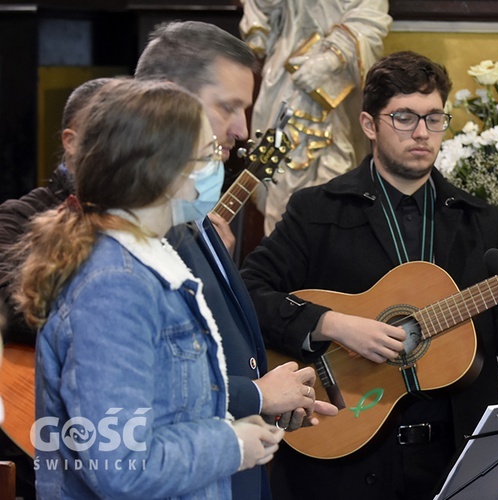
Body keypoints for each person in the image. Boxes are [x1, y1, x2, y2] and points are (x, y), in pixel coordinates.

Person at [240, 51, 498, 500]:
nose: (422, 133)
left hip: (454, 457)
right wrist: (333, 323)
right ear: (370, 124)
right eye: (405, 118)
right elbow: (247, 293)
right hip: (346, 457)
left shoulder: (482, 222)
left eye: (434, 118)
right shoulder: (319, 210)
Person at [12, 78, 284, 498]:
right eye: (207, 154)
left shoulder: (149, 259)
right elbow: (120, 464)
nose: (217, 164)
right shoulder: (114, 285)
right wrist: (229, 444)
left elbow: (168, 398)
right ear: (162, 170)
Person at [134, 20, 337, 498]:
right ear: (167, 98)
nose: (243, 130)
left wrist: (270, 398)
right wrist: (258, 394)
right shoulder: (136, 225)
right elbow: (154, 384)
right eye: (228, 107)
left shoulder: (194, 207)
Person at [240, 0, 391, 235]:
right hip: (286, 74)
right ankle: (283, 260)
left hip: (338, 87)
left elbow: (370, 14)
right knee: (279, 179)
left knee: (335, 172)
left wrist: (330, 59)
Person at [0, 77, 113, 347]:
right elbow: (11, 306)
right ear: (70, 142)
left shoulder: (150, 219)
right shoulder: (19, 216)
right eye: (109, 135)